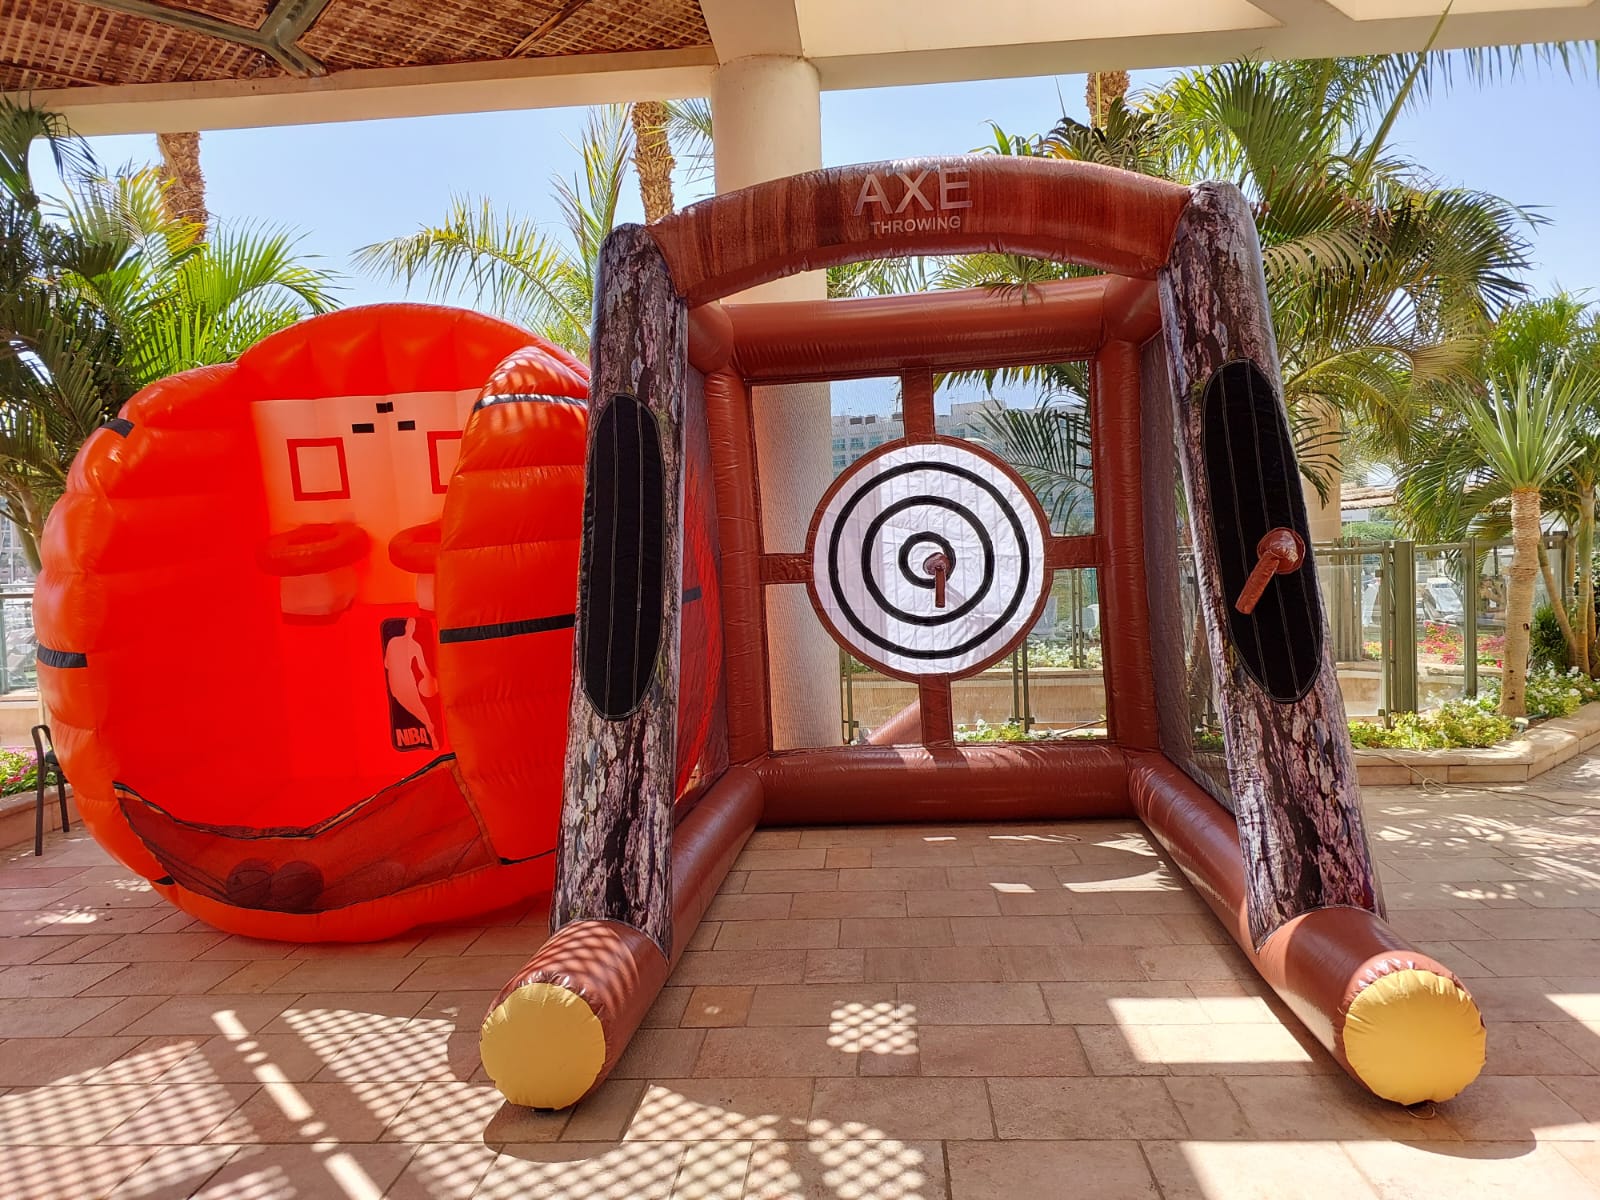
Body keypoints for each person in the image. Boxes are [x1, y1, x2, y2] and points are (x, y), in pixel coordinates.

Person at [384, 617, 439, 749]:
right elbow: (423, 668)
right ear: (409, 628)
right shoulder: (412, 645)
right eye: (411, 626)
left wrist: (430, 679)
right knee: (417, 708)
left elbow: (386, 664)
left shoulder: (396, 642)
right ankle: (430, 731)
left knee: (416, 708)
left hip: (397, 684)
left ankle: (431, 733)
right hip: (402, 683)